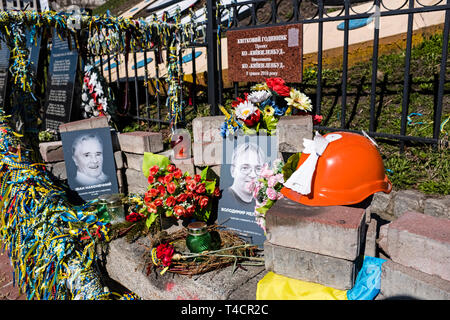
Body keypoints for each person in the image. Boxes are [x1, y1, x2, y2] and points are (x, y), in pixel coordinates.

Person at [221, 142, 265, 209]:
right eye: (245, 168)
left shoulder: (260, 202)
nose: (253, 175)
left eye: (258, 168)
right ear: (233, 170)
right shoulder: (225, 198)